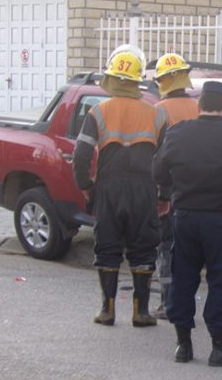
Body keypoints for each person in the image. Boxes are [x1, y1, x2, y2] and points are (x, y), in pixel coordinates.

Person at [153, 80, 222, 366]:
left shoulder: (177, 134)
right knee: (219, 280)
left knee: (183, 278)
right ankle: (220, 346)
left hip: (185, 217)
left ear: (200, 104)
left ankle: (183, 345)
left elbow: (159, 172)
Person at [72, 44, 168, 327]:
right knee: (143, 247)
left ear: (113, 79)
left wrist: (87, 186)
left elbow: (81, 155)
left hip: (108, 188)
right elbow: (165, 159)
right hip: (144, 188)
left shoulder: (98, 112)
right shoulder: (157, 114)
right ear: (138, 81)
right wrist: (164, 193)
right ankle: (140, 312)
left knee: (108, 246)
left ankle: (107, 310)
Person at [152, 52, 200, 320]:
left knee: (167, 246)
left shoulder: (159, 111)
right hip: (197, 189)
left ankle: (167, 303)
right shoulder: (198, 107)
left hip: (171, 192)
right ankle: (187, 301)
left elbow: (158, 156)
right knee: (189, 249)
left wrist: (161, 193)